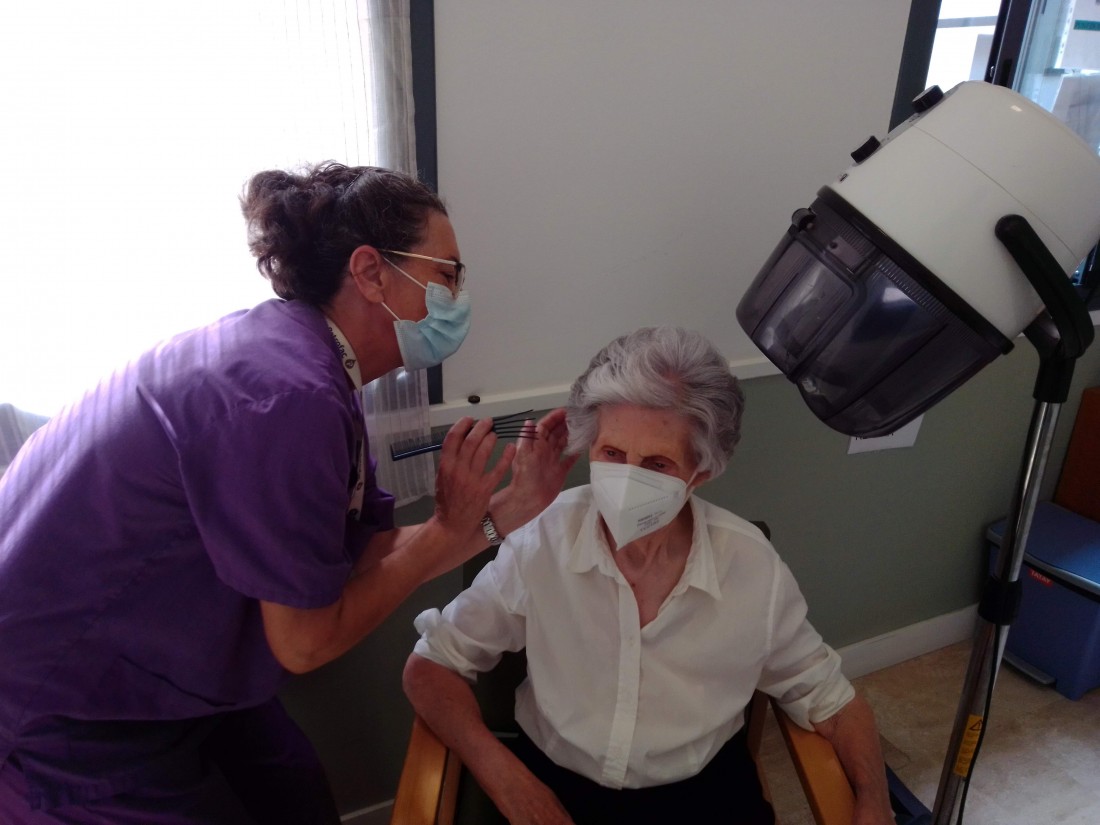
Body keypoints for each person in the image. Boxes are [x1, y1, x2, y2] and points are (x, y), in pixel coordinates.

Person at [0, 162, 574, 823]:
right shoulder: (288, 396)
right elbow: (304, 643)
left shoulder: (310, 365)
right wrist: (447, 531)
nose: (458, 295)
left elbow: (358, 553)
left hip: (166, 666)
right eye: (447, 274)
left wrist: (505, 512)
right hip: (66, 705)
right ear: (370, 272)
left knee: (293, 789)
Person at [403, 326, 895, 825]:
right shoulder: (543, 538)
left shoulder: (751, 566)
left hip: (700, 794)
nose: (627, 481)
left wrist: (875, 802)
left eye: (657, 463)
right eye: (612, 454)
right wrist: (503, 776)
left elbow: (833, 701)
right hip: (555, 781)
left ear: (701, 472)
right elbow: (430, 667)